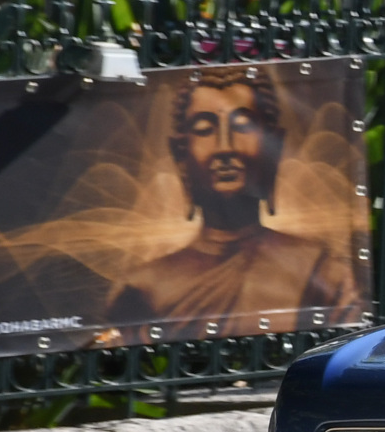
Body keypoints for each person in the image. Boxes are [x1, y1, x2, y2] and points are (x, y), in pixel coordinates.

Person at [108, 67, 362, 333]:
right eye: (204, 129)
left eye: (243, 126)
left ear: (273, 146)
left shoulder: (320, 273)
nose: (225, 148)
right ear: (181, 154)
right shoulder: (141, 288)